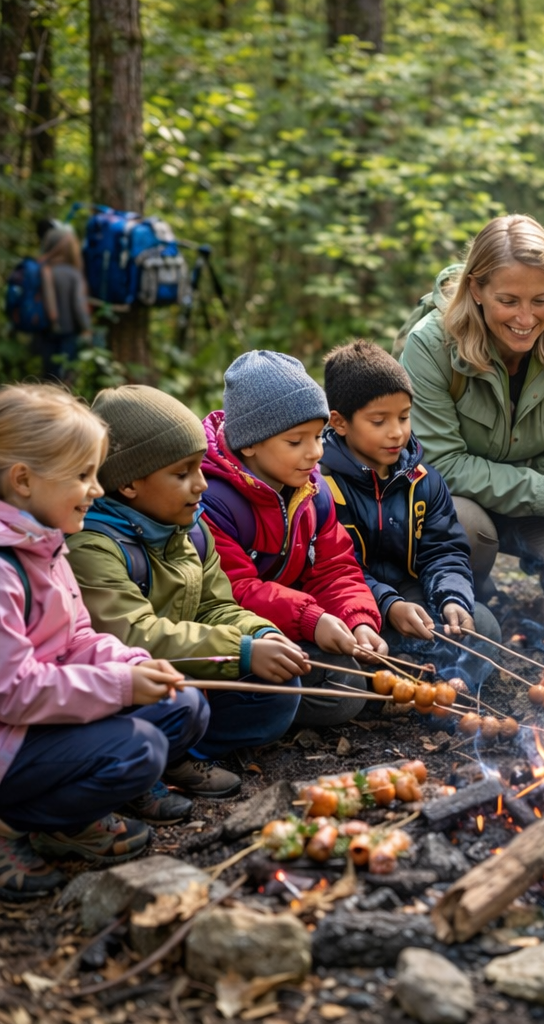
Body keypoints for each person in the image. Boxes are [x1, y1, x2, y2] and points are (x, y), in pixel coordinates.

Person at [0, 384, 202, 899]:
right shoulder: (6, 568)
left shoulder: (45, 544)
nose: (97, 489)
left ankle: (69, 818)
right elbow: (13, 691)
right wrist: (119, 686)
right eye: (83, 475)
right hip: (13, 734)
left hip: (42, 722)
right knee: (139, 750)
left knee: (184, 706)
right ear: (23, 480)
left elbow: (79, 637)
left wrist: (135, 665)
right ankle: (15, 825)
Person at [69, 386, 309, 811]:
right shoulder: (92, 546)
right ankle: (137, 764)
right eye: (182, 473)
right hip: (117, 689)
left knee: (280, 690)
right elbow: (133, 634)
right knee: (187, 701)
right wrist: (241, 651)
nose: (201, 484)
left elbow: (216, 606)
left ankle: (178, 753)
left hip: (181, 677)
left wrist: (260, 633)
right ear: (128, 483)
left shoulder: (190, 531)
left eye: (199, 467)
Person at [398, 214, 544, 627]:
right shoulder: (430, 345)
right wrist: (543, 492)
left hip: (532, 503)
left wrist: (535, 493)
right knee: (464, 526)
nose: (526, 319)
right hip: (458, 501)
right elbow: (440, 464)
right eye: (508, 301)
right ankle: (466, 598)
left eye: (540, 300)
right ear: (476, 288)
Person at [200, 350, 386, 727]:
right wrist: (310, 619)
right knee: (345, 688)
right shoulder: (214, 503)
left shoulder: (312, 492)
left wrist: (359, 620)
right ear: (249, 442)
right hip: (243, 636)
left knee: (372, 660)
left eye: (318, 436)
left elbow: (335, 567)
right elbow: (235, 590)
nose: (315, 452)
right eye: (295, 441)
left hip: (295, 620)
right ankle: (233, 714)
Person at [319, 340, 501, 666]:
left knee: (482, 628)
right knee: (348, 666)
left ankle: (419, 671)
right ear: (340, 422)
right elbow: (336, 571)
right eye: (379, 421)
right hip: (354, 606)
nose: (396, 433)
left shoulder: (422, 479)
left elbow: (443, 550)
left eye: (404, 417)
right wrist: (389, 605)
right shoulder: (323, 487)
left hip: (415, 598)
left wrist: (451, 597)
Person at [26, 220, 92, 383]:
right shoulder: (72, 274)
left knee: (48, 374)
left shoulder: (38, 269)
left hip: (42, 330)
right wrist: (86, 328)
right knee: (64, 377)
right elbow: (78, 305)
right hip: (66, 332)